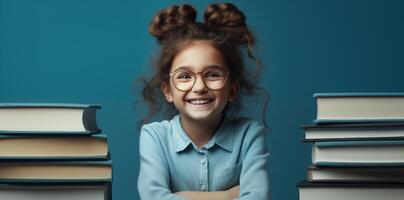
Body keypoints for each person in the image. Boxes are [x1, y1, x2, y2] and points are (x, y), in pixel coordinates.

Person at [137, 3, 270, 200]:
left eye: (212, 74)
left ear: (232, 89)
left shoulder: (249, 135)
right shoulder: (154, 137)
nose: (199, 87)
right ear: (168, 91)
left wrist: (179, 195)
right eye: (184, 76)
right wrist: (227, 195)